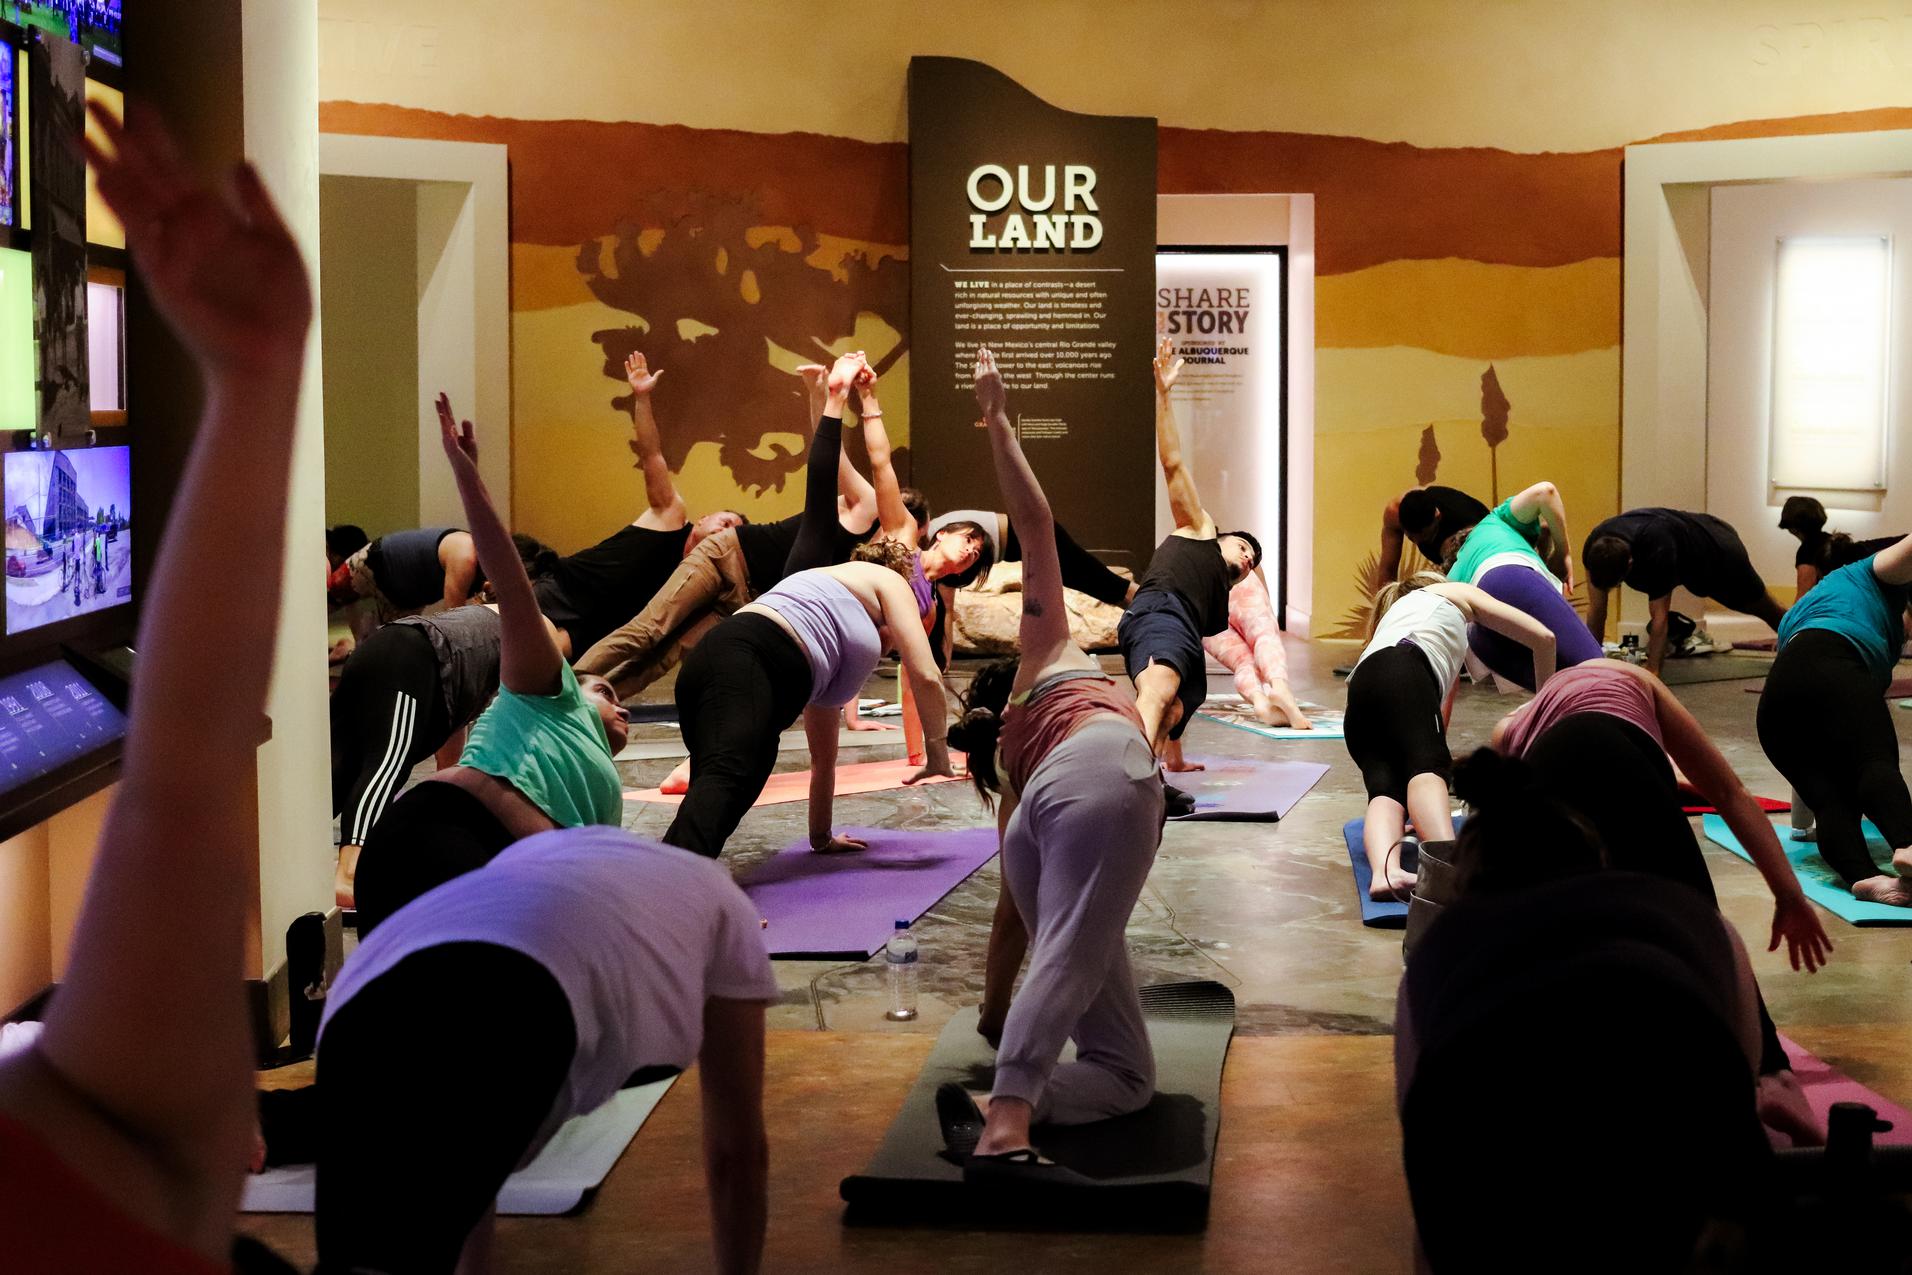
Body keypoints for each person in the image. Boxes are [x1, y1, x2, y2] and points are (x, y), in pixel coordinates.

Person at [0, 102, 310, 1273]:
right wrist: (255, 382)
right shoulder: (88, 1147)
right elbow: (179, 796)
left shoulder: (85, 1143)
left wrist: (258, 380)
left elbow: (178, 793)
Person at [314, 826, 776, 1275]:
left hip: (363, 985)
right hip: (520, 987)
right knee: (408, 1227)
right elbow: (737, 1153)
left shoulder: (533, 857)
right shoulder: (725, 904)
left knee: (366, 1247)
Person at [1397, 752, 1776, 1272]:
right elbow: (1742, 1070)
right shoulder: (1687, 912)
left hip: (1482, 1113)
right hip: (1675, 1097)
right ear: (1598, 858)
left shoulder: (1440, 947)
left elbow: (1421, 1117)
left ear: (1468, 883)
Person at [939, 347, 1165, 1180]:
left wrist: (997, 1011)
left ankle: (1001, 1103)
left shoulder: (1007, 761)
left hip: (1044, 812)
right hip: (1107, 772)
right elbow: (1035, 523)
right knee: (1070, 949)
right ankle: (1005, 1125)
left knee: (1126, 1073)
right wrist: (998, 419)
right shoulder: (1052, 648)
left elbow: (1013, 912)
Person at [1488, 657, 1831, 1138]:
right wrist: (1787, 894)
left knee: (1569, 936)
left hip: (1547, 777)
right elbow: (1729, 793)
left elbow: (1496, 831)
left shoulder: (1511, 727)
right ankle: (1772, 1077)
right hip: (1617, 753)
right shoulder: (1632, 677)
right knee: (1696, 924)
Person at [346, 395, 631, 931]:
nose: (622, 709)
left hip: (480, 870)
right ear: (572, 683)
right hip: (440, 845)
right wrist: (469, 480)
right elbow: (513, 586)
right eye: (606, 692)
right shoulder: (547, 696)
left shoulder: (596, 787)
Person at [661, 352, 956, 860]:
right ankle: (674, 898)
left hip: (724, 661)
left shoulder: (831, 621)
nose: (893, 644)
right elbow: (925, 674)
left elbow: (824, 761)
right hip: (751, 659)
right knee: (730, 779)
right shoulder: (890, 583)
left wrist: (821, 837)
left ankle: (684, 888)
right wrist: (938, 756)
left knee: (742, 775)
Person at [574, 361, 881, 700]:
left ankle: (589, 706)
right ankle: (557, 693)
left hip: (748, 595)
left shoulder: (881, 563)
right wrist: (820, 394)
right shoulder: (866, 507)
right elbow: (828, 450)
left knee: (665, 657)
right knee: (649, 631)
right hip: (729, 555)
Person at [522, 351, 746, 660]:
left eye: (734, 531)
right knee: (491, 640)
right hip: (563, 591)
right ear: (703, 518)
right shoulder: (670, 516)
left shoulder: (698, 580)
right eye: (726, 520)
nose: (727, 528)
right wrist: (642, 398)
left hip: (592, 632)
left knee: (537, 674)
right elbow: (652, 454)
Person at [1348, 571, 1555, 903]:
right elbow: (1544, 638)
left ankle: (1385, 873)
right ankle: (1452, 871)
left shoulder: (1402, 622)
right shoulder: (1455, 593)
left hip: (1360, 689)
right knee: (1427, 769)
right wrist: (1546, 705)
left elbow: (1436, 713)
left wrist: (1427, 760)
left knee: (1385, 789)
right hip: (1404, 668)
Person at [1119, 337, 1262, 763]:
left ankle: (1159, 772)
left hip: (1178, 626)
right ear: (1219, 537)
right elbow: (1174, 462)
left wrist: (1178, 760)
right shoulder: (1198, 529)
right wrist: (1163, 395)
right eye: (1243, 547)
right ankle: (1127, 780)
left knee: (1177, 704)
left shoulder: (1213, 601)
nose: (1248, 558)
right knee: (1159, 688)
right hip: (1158, 612)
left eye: (1252, 562)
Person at [1758, 535, 1912, 907]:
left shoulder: (1816, 605)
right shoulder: (1868, 574)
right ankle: (1908, 844)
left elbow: (1821, 701)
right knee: (1873, 763)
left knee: (1832, 800)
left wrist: (1800, 823)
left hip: (1776, 705)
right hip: (1831, 662)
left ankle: (1863, 877)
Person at [330, 603, 501, 907]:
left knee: (339, 768)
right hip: (407, 657)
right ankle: (350, 872)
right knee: (386, 765)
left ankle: (280, 856)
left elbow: (453, 731)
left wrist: (442, 803)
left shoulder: (478, 649)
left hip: (385, 650)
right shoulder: (531, 632)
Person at [1582, 507, 1788, 674]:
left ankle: (1804, 641)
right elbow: (1597, 610)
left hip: (1717, 549)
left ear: (1630, 564)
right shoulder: (1596, 548)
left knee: (1762, 607)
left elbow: (1659, 618)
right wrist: (1589, 664)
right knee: (1756, 606)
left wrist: (1652, 671)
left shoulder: (1656, 547)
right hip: (1687, 549)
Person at [1444, 479, 1600, 689]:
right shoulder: (1493, 523)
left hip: (1482, 639)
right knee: (1598, 670)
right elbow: (1546, 491)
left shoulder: (1455, 572)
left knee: (1563, 689)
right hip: (1506, 579)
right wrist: (1565, 554)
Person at [1203, 569, 1310, 729]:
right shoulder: (1233, 546)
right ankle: (1280, 687)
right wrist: (1268, 608)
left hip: (1195, 597)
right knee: (1264, 636)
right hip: (1235, 575)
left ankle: (1260, 702)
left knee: (1242, 660)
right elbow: (1253, 560)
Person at [329, 524, 485, 625]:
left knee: (394, 649)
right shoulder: (465, 557)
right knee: (324, 599)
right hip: (377, 561)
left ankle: (347, 651)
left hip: (407, 596)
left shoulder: (483, 567)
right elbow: (453, 621)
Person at [1373, 485, 1489, 590]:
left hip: (1483, 553)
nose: (1419, 542)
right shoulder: (1395, 512)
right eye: (1412, 538)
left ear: (1437, 517)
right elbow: (1387, 571)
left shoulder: (1466, 521)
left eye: (1427, 537)